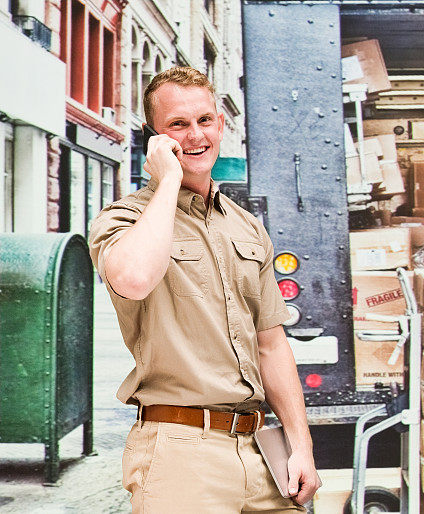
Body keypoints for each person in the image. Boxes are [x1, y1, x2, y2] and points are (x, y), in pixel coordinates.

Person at [88, 66, 321, 513]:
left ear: (221, 124)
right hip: (180, 453)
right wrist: (170, 179)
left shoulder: (247, 226)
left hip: (261, 450)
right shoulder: (123, 219)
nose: (195, 135)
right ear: (153, 137)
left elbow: (272, 346)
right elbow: (134, 279)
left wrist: (302, 446)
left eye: (205, 120)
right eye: (178, 124)